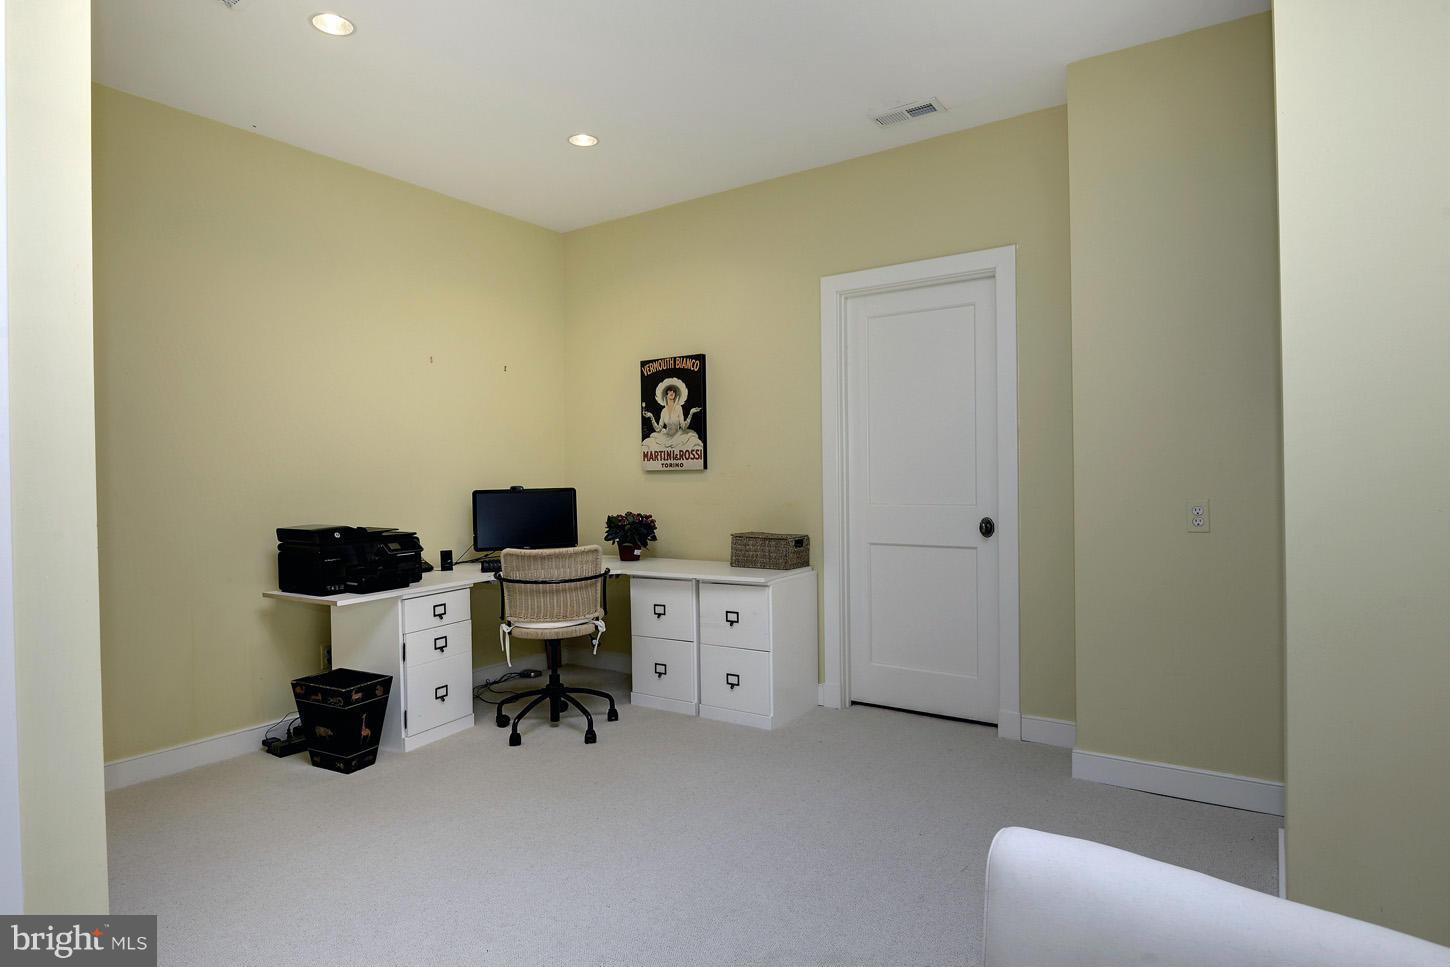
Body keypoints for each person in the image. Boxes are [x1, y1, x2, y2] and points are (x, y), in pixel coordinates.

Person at [642, 378, 703, 452]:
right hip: (665, 437)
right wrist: (651, 417)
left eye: (674, 391)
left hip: (678, 436)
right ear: (666, 394)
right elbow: (658, 429)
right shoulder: (663, 411)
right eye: (670, 391)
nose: (672, 392)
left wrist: (691, 413)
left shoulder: (678, 408)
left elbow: (683, 427)